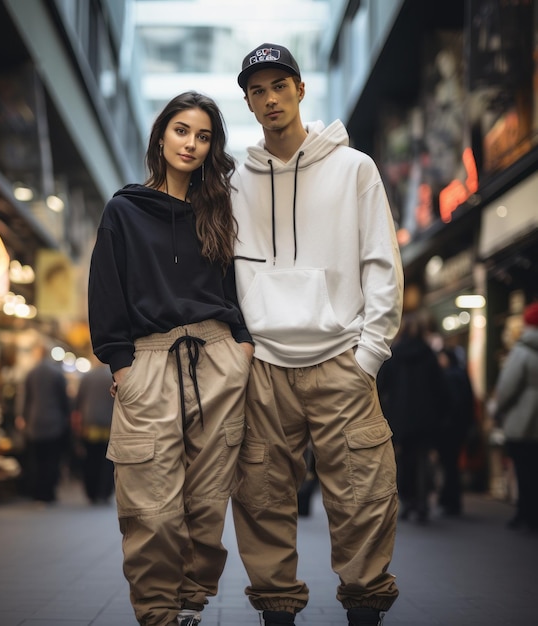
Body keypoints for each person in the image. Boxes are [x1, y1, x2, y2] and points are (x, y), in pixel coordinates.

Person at [230, 44, 404, 626]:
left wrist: (370, 353)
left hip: (340, 359)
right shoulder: (237, 181)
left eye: (280, 85)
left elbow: (381, 261)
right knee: (260, 496)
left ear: (300, 90)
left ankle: (366, 611)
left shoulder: (355, 168)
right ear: (248, 102)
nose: (270, 98)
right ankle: (276, 614)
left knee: (362, 494)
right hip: (264, 367)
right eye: (258, 90)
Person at [88, 91, 254, 626]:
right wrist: (122, 365)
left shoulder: (218, 208)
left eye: (204, 136)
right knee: (152, 507)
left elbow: (237, 286)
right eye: (182, 130)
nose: (192, 144)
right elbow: (106, 290)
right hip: (150, 362)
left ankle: (189, 605)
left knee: (206, 505)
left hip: (218, 361)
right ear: (161, 135)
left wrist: (243, 347)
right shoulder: (125, 209)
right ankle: (157, 614)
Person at [377, 313, 448, 524]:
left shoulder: (394, 354)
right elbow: (441, 388)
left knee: (404, 459)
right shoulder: (428, 354)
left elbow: (381, 385)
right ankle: (423, 500)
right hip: (426, 416)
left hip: (400, 417)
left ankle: (407, 500)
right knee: (423, 456)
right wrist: (443, 413)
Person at [494, 302, 538, 531]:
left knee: (523, 468)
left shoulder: (522, 351)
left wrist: (497, 409)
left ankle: (525, 512)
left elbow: (507, 387)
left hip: (523, 421)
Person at [16, 343, 70, 504]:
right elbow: (64, 400)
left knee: (36, 459)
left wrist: (22, 416)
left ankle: (37, 492)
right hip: (54, 421)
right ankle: (49, 492)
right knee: (52, 459)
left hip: (34, 422)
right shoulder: (57, 374)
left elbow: (25, 397)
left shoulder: (31, 373)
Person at [435, 346, 475, 516]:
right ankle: (450, 500)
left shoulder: (449, 376)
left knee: (449, 465)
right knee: (453, 464)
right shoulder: (461, 373)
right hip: (460, 427)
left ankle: (450, 501)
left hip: (449, 428)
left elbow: (452, 403)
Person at [72, 362, 114, 505]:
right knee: (107, 461)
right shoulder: (112, 376)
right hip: (109, 424)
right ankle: (104, 492)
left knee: (91, 459)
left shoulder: (87, 377)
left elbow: (78, 401)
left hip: (90, 424)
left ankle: (91, 492)